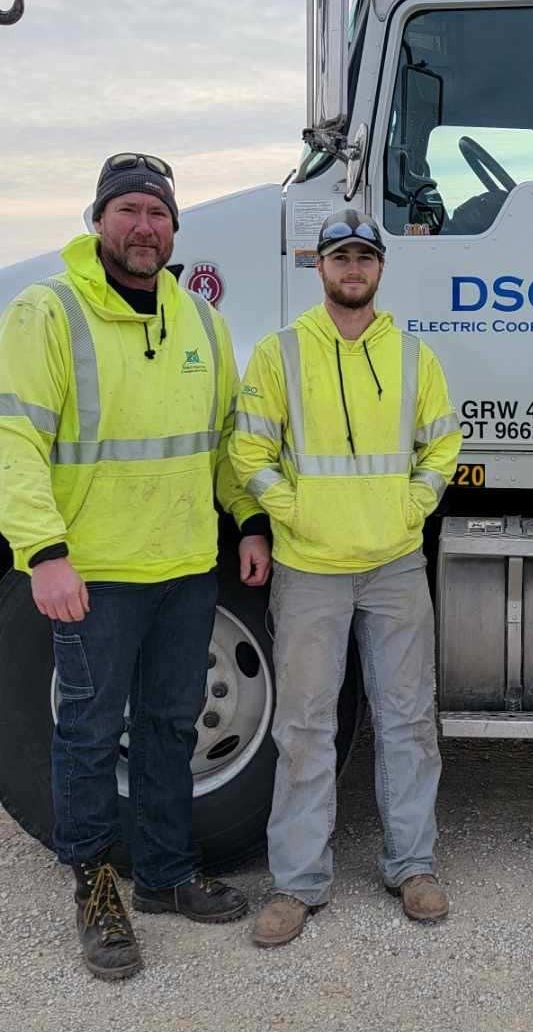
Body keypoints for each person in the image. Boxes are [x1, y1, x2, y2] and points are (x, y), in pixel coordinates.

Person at [0, 153, 272, 981]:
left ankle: (164, 874)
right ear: (97, 221)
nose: (142, 227)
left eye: (156, 213)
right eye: (126, 210)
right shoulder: (48, 311)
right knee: (86, 734)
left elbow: (223, 441)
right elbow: (13, 440)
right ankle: (95, 887)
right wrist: (42, 552)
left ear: (175, 229)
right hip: (93, 572)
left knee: (167, 725)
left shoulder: (200, 322)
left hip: (186, 567)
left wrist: (250, 520)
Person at [230, 209, 461, 947]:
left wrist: (412, 505)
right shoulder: (281, 353)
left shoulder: (412, 356)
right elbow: (250, 450)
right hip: (309, 566)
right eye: (339, 256)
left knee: (407, 717)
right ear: (319, 267)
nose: (352, 267)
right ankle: (297, 882)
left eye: (364, 255)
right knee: (303, 724)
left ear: (380, 269)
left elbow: (442, 442)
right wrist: (293, 511)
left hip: (394, 561)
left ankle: (413, 864)